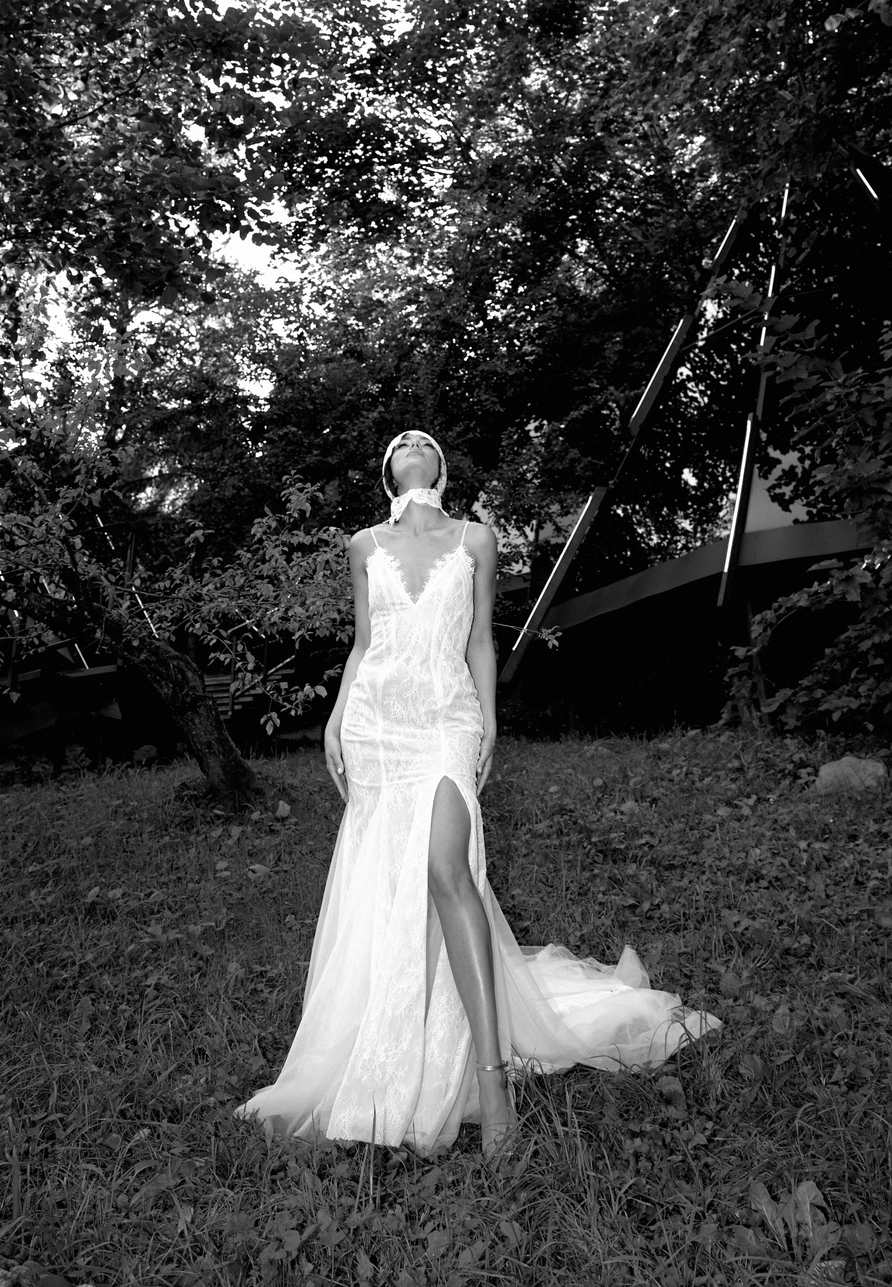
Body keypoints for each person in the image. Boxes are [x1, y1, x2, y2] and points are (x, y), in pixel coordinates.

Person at [235, 430, 718, 1157]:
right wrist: (334, 719)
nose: (410, 442)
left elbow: (481, 640)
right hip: (376, 725)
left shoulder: (476, 539)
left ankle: (491, 1077)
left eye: (421, 440)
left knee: (446, 869)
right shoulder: (363, 545)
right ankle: (405, 1031)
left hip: (447, 721)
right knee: (391, 878)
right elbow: (363, 643)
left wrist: (489, 721)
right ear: (388, 472)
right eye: (399, 443)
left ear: (440, 468)